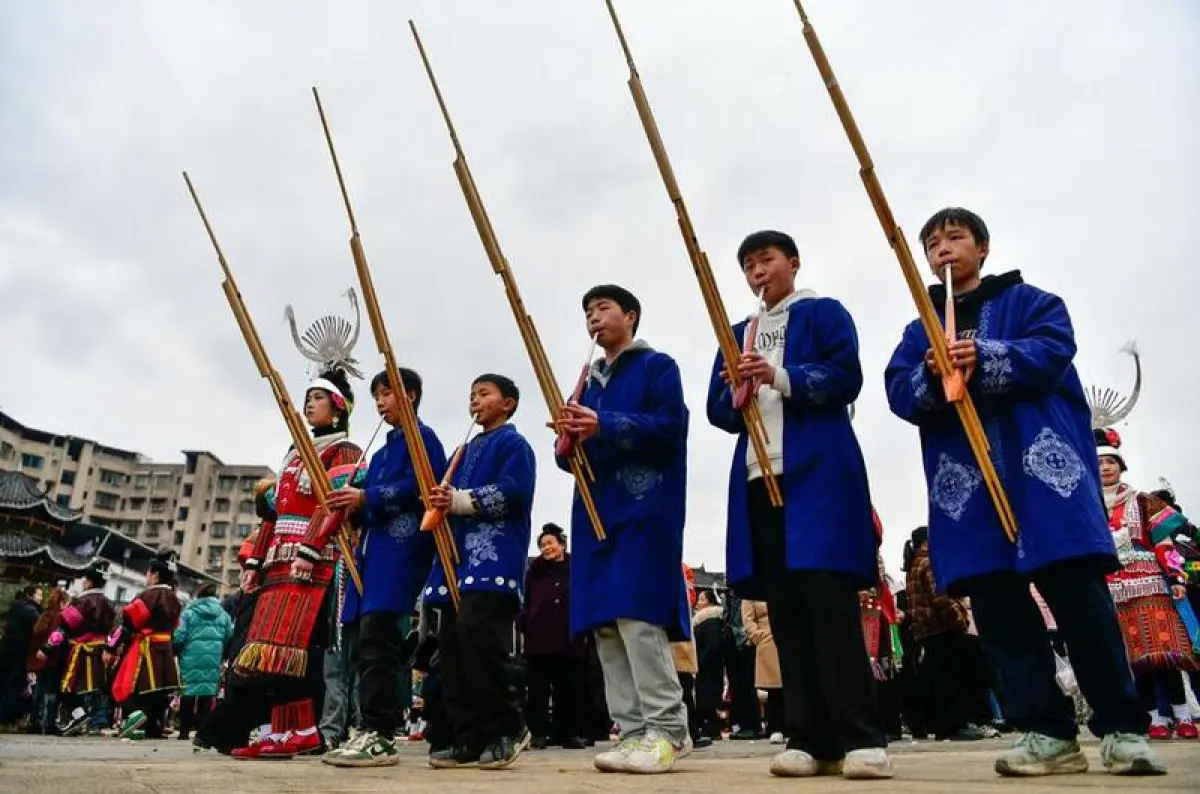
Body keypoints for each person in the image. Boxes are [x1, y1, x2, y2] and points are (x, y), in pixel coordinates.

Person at [884, 206, 1163, 776]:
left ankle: (1122, 729)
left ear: (982, 248)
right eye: (932, 242)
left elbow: (1052, 352)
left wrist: (986, 356)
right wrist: (931, 374)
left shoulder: (1033, 302)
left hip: (1043, 477)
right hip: (967, 489)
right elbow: (898, 391)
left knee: (1081, 606)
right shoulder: (920, 330)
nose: (943, 249)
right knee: (1001, 614)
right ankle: (1045, 733)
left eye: (954, 237)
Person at [707, 230, 891, 779]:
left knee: (827, 603)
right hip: (758, 477)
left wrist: (780, 375)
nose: (757, 271)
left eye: (766, 259)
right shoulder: (739, 332)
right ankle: (808, 737)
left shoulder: (823, 312)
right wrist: (735, 385)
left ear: (793, 262)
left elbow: (845, 376)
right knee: (785, 609)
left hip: (816, 474)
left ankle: (861, 736)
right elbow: (719, 410)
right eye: (747, 265)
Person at [556, 284, 692, 774]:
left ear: (630, 316)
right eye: (588, 311)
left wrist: (604, 423)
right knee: (606, 624)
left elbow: (670, 426)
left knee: (638, 616)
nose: (594, 318)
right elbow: (573, 455)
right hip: (595, 512)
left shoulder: (658, 367)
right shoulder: (587, 382)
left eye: (603, 308)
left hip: (643, 507)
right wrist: (569, 440)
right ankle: (632, 730)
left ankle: (667, 730)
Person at [232, 366, 365, 759]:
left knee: (303, 647)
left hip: (318, 561)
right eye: (307, 397)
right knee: (271, 649)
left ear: (339, 408)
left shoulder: (345, 451)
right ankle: (278, 730)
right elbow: (272, 512)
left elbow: (336, 505)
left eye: (319, 397)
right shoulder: (294, 453)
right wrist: (255, 560)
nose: (310, 403)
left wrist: (310, 548)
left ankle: (306, 728)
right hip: (279, 561)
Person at [323, 367, 445, 767]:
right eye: (376, 396)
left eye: (387, 393)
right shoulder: (378, 453)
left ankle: (381, 731)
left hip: (402, 548)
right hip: (372, 552)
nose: (380, 402)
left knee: (380, 639)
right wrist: (350, 508)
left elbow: (423, 488)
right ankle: (368, 725)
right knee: (363, 642)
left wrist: (366, 496)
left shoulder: (423, 438)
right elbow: (366, 504)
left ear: (409, 395)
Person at [424, 373, 536, 770]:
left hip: (492, 559)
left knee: (480, 639)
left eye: (484, 393)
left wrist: (456, 499)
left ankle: (507, 727)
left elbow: (514, 492)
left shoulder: (514, 444)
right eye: (471, 394)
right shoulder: (461, 451)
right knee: (452, 648)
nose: (475, 400)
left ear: (508, 403)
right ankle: (467, 736)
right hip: (457, 561)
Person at [1096, 428, 1199, 739]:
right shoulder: (1089, 505)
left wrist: (1176, 578)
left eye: (1111, 462)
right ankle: (1153, 718)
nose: (1105, 468)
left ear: (1121, 466)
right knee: (1134, 657)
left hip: (1151, 584)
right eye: (1099, 464)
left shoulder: (1143, 501)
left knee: (1164, 651)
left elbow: (1164, 542)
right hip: (1112, 588)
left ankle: (1182, 715)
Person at [904, 527, 986, 742]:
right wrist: (959, 619)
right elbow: (940, 596)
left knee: (936, 680)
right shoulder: (929, 562)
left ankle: (942, 726)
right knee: (952, 679)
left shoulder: (914, 565)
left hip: (927, 631)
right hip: (942, 628)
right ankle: (956, 725)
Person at [521, 523, 589, 751]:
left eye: (550, 543)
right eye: (542, 545)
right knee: (538, 689)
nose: (546, 548)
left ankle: (568, 733)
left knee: (569, 687)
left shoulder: (577, 567)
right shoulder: (534, 570)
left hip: (570, 636)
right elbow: (526, 600)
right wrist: (526, 621)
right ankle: (538, 733)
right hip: (539, 636)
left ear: (562, 544)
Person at [107, 550, 183, 739]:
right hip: (165, 648)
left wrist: (110, 647)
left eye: (148, 573)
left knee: (135, 686)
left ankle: (135, 721)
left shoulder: (148, 596)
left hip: (145, 648)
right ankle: (154, 727)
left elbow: (127, 624)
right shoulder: (174, 598)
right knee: (159, 690)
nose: (146, 576)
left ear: (155, 574)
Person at [43, 562, 114, 736]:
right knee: (97, 687)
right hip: (100, 650)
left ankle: (79, 715)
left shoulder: (81, 602)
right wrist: (109, 648)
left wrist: (46, 647)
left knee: (69, 687)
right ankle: (95, 721)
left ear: (89, 582)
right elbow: (113, 629)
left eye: (84, 580)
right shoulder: (109, 603)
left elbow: (65, 628)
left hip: (81, 651)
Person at [173, 582, 233, 741]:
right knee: (206, 696)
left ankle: (184, 732)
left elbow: (179, 636)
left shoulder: (188, 613)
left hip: (190, 658)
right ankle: (201, 733)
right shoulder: (224, 615)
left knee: (188, 694)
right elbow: (230, 636)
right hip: (213, 659)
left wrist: (176, 649)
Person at [28, 587, 69, 735]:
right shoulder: (59, 617)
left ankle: (35, 722)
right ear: (62, 602)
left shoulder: (44, 615)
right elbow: (57, 637)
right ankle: (48, 723)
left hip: (41, 661)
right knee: (52, 692)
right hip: (53, 660)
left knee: (40, 690)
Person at [742, 599, 784, 743]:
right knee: (773, 688)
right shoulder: (753, 590)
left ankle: (794, 726)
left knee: (793, 684)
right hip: (767, 640)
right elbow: (747, 618)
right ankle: (776, 727)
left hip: (789, 636)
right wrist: (758, 635)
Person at [0, 584, 42, 727]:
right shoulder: (30, 610)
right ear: (30, 595)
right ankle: (5, 718)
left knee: (5, 683)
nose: (41, 598)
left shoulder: (15, 607)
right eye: (39, 595)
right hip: (19, 653)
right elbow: (40, 623)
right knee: (14, 685)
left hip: (6, 650)